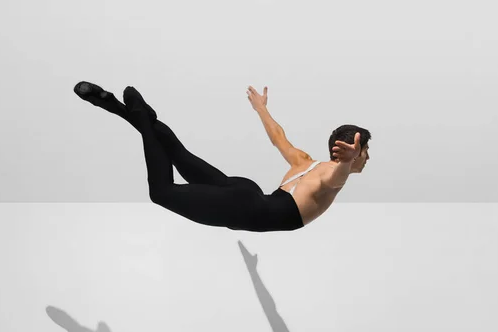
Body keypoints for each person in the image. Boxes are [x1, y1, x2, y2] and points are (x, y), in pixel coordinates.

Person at [73, 81, 371, 231]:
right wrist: (346, 161)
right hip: (246, 208)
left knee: (178, 153)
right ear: (352, 151)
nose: (367, 158)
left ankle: (118, 107)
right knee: (161, 192)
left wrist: (261, 109)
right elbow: (337, 178)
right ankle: (139, 112)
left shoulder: (305, 162)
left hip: (244, 190)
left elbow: (279, 138)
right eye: (364, 151)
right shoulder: (330, 176)